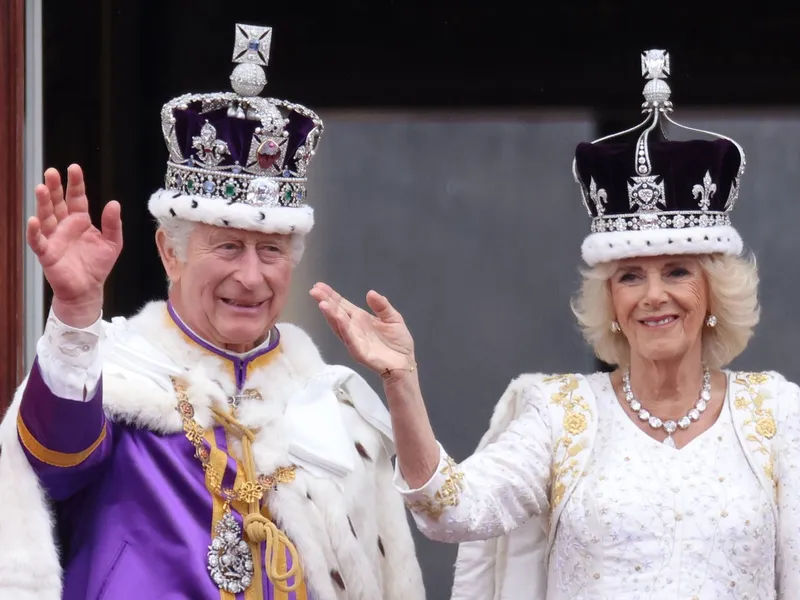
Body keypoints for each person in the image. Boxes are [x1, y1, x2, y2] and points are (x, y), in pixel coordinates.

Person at [309, 49, 800, 598]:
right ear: (610, 300)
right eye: (631, 276)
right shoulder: (562, 415)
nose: (654, 296)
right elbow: (449, 510)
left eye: (678, 271)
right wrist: (402, 380)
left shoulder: (777, 415)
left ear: (713, 291)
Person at [0, 23, 425, 600]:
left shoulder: (335, 410)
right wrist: (76, 316)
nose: (250, 277)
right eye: (226, 246)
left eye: (270, 250)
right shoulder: (120, 378)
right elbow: (54, 457)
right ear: (169, 253)